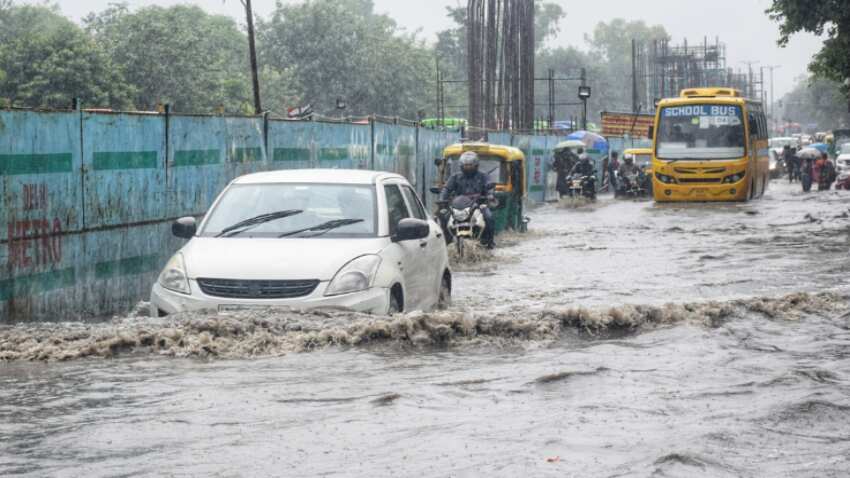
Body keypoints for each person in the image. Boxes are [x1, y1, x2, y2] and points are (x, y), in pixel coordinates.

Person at [439, 151, 496, 248]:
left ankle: (489, 242)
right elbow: (446, 189)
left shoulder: (483, 176)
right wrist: (442, 199)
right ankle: (446, 241)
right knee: (443, 216)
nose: (468, 167)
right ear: (461, 165)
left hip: (478, 204)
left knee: (489, 217)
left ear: (476, 165)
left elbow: (489, 186)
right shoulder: (455, 177)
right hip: (458, 206)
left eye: (470, 165)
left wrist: (490, 195)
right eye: (465, 165)